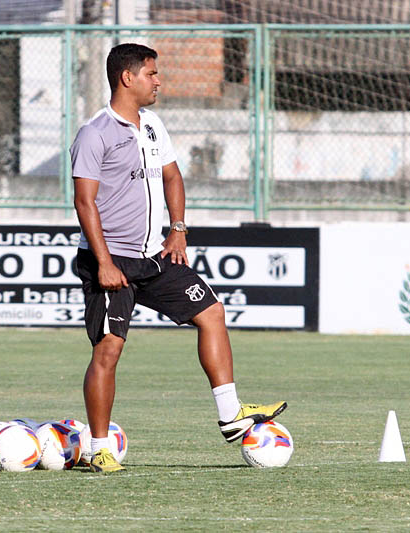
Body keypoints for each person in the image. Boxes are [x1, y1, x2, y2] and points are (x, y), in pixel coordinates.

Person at [70, 43, 286, 473]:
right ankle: (99, 447)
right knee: (108, 351)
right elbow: (84, 202)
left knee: (211, 312)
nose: (158, 81)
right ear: (126, 78)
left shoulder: (151, 124)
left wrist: (178, 229)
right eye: (151, 73)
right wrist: (105, 262)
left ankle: (230, 415)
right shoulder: (95, 132)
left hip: (155, 257)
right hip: (112, 261)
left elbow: (172, 175)